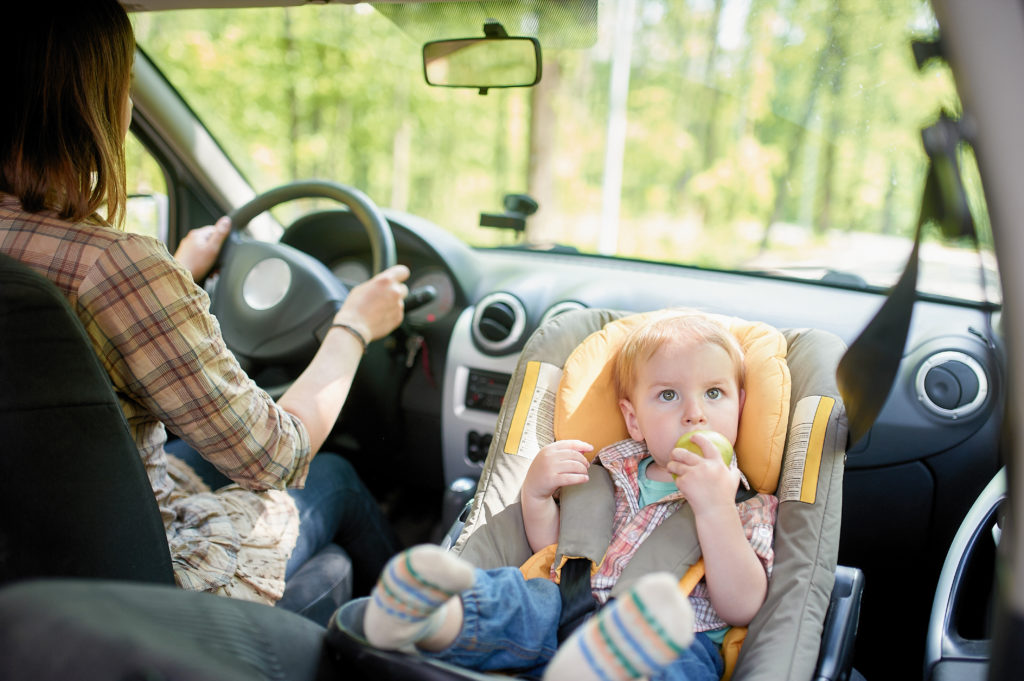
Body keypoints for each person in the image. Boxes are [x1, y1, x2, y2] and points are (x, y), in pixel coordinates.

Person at [0, 1, 408, 615]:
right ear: (90, 104)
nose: (130, 107)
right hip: (135, 584)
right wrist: (355, 324)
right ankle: (435, 634)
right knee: (336, 479)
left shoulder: (97, 267)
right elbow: (276, 455)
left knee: (191, 455)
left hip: (29, 556)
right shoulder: (118, 266)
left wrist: (178, 272)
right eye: (126, 85)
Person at [362, 312, 779, 681]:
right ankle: (431, 618)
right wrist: (537, 496)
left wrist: (716, 509)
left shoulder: (747, 504)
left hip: (668, 640)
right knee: (518, 598)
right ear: (633, 420)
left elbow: (741, 606)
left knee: (678, 661)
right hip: (563, 611)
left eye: (714, 393)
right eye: (668, 395)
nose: (694, 413)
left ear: (740, 407)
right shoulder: (608, 472)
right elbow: (558, 549)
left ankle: (601, 668)